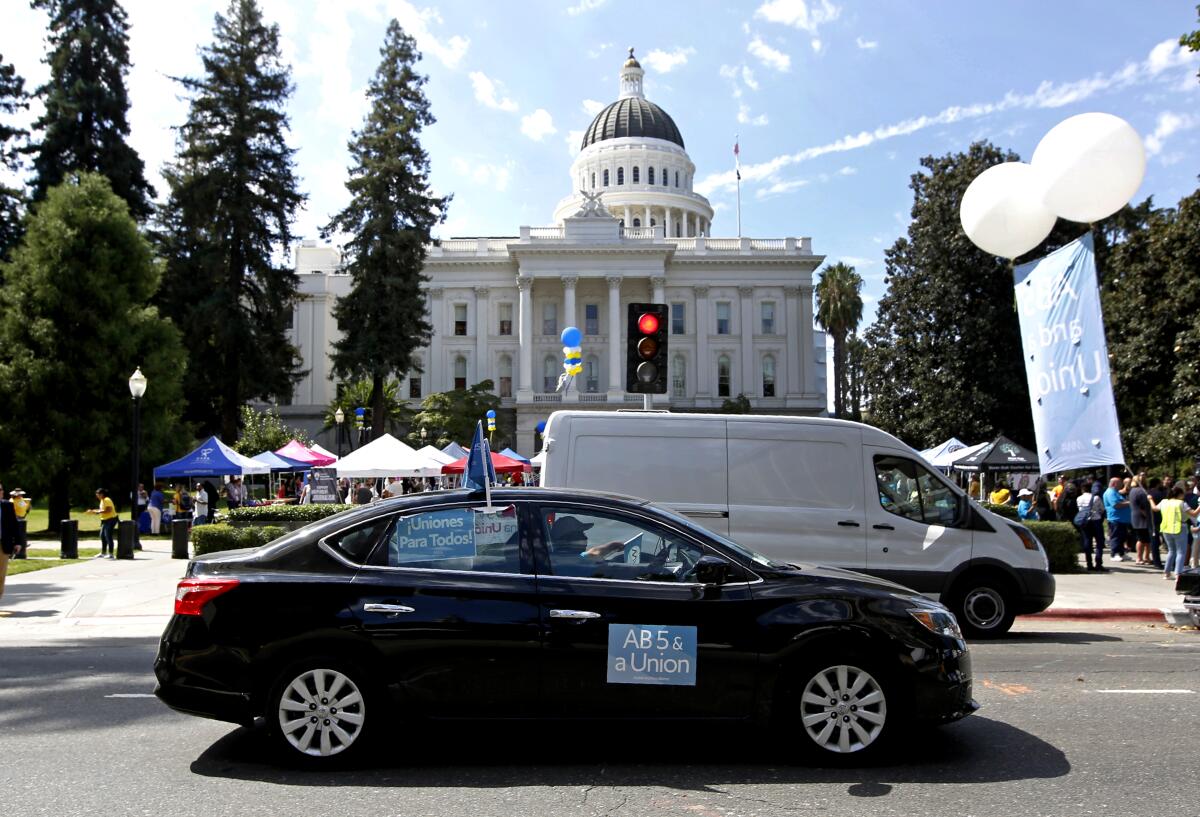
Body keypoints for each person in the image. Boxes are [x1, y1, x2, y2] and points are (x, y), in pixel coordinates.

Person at [1157, 485, 1199, 580]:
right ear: (1179, 494)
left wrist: (1150, 499)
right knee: (1181, 552)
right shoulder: (1182, 503)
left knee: (1171, 551)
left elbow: (1155, 508)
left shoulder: (1164, 502)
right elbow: (1194, 513)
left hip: (1166, 529)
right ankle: (1178, 574)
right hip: (1179, 528)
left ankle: (1166, 573)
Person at [1076, 482, 1106, 571]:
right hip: (1096, 521)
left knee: (1087, 542)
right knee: (1099, 542)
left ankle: (1089, 563)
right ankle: (1098, 563)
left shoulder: (1079, 498)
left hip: (1085, 522)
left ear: (1082, 489)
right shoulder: (1096, 498)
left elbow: (1079, 509)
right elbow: (1102, 509)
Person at [1103, 477, 1132, 562]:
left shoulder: (1116, 492)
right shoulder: (1110, 492)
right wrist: (1130, 502)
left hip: (1122, 519)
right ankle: (1114, 554)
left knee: (1122, 537)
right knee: (1116, 537)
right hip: (1115, 519)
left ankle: (1121, 553)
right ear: (1114, 484)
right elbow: (1116, 505)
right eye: (1119, 483)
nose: (1121, 484)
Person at [1127, 476, 1154, 566]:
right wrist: (1148, 516)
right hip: (1142, 518)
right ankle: (1140, 557)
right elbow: (1143, 506)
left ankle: (1145, 557)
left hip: (1135, 517)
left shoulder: (1132, 490)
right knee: (1143, 539)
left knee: (1144, 539)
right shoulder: (1141, 491)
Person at [86, 488, 119, 558]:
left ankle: (111, 554)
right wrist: (93, 511)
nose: (97, 495)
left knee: (108, 536)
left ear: (102, 494)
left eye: (98, 494)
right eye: (96, 494)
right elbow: (102, 510)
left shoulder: (107, 500)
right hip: (105, 520)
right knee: (102, 536)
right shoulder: (102, 500)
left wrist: (97, 512)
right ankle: (103, 553)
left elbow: (109, 510)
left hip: (111, 519)